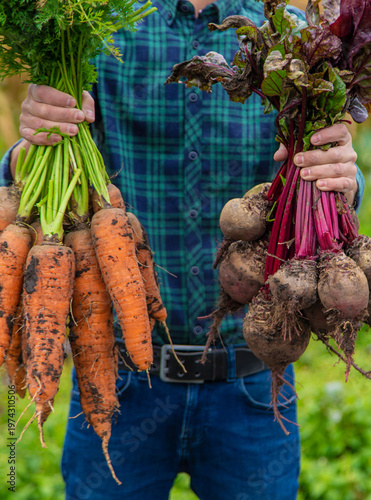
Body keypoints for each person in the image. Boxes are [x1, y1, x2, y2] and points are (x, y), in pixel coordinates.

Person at [0, 1, 364, 499]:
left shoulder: (290, 39)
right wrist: (35, 142)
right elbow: (48, 176)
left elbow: (328, 168)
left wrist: (344, 177)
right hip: (119, 379)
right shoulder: (100, 33)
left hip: (255, 378)